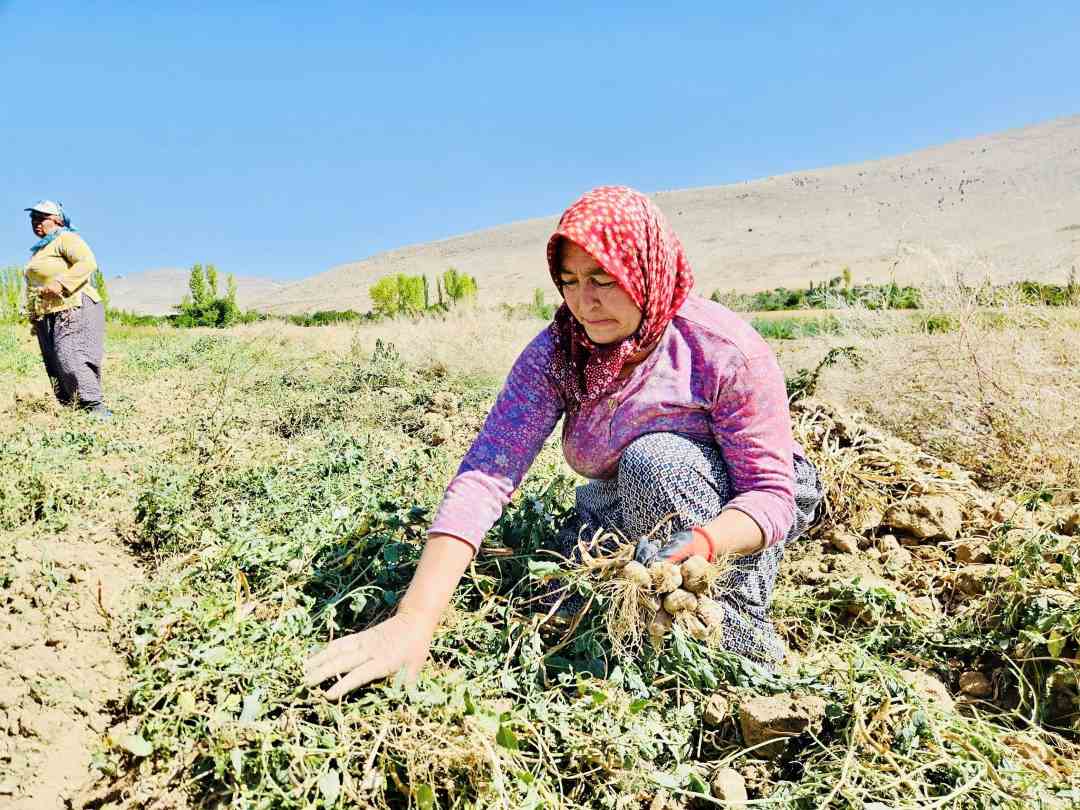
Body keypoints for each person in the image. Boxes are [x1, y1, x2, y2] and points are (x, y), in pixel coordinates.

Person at [305, 186, 823, 699]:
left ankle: (738, 644)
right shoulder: (559, 351)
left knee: (653, 463)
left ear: (648, 272)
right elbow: (488, 472)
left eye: (603, 279)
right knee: (553, 593)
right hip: (625, 496)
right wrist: (413, 621)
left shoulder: (722, 352)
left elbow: (770, 496)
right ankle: (648, 606)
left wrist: (703, 544)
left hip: (738, 508)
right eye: (570, 281)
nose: (584, 302)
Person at [23, 200, 110, 419]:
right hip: (48, 314)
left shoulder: (66, 238)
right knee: (54, 363)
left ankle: (95, 409)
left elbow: (87, 262)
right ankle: (73, 412)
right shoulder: (41, 249)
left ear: (57, 220)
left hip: (74, 306)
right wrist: (35, 314)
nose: (36, 222)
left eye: (41, 218)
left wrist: (61, 284)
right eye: (33, 218)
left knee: (70, 356)